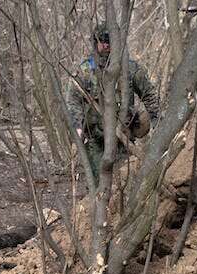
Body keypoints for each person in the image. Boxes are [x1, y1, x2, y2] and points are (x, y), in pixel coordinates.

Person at [65, 18, 159, 187]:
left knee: (124, 185)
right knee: (98, 187)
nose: (106, 46)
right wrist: (77, 126)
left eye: (110, 41)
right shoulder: (86, 69)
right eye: (102, 41)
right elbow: (73, 100)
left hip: (123, 139)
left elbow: (150, 95)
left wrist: (157, 121)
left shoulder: (129, 68)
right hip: (96, 140)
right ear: (96, 42)